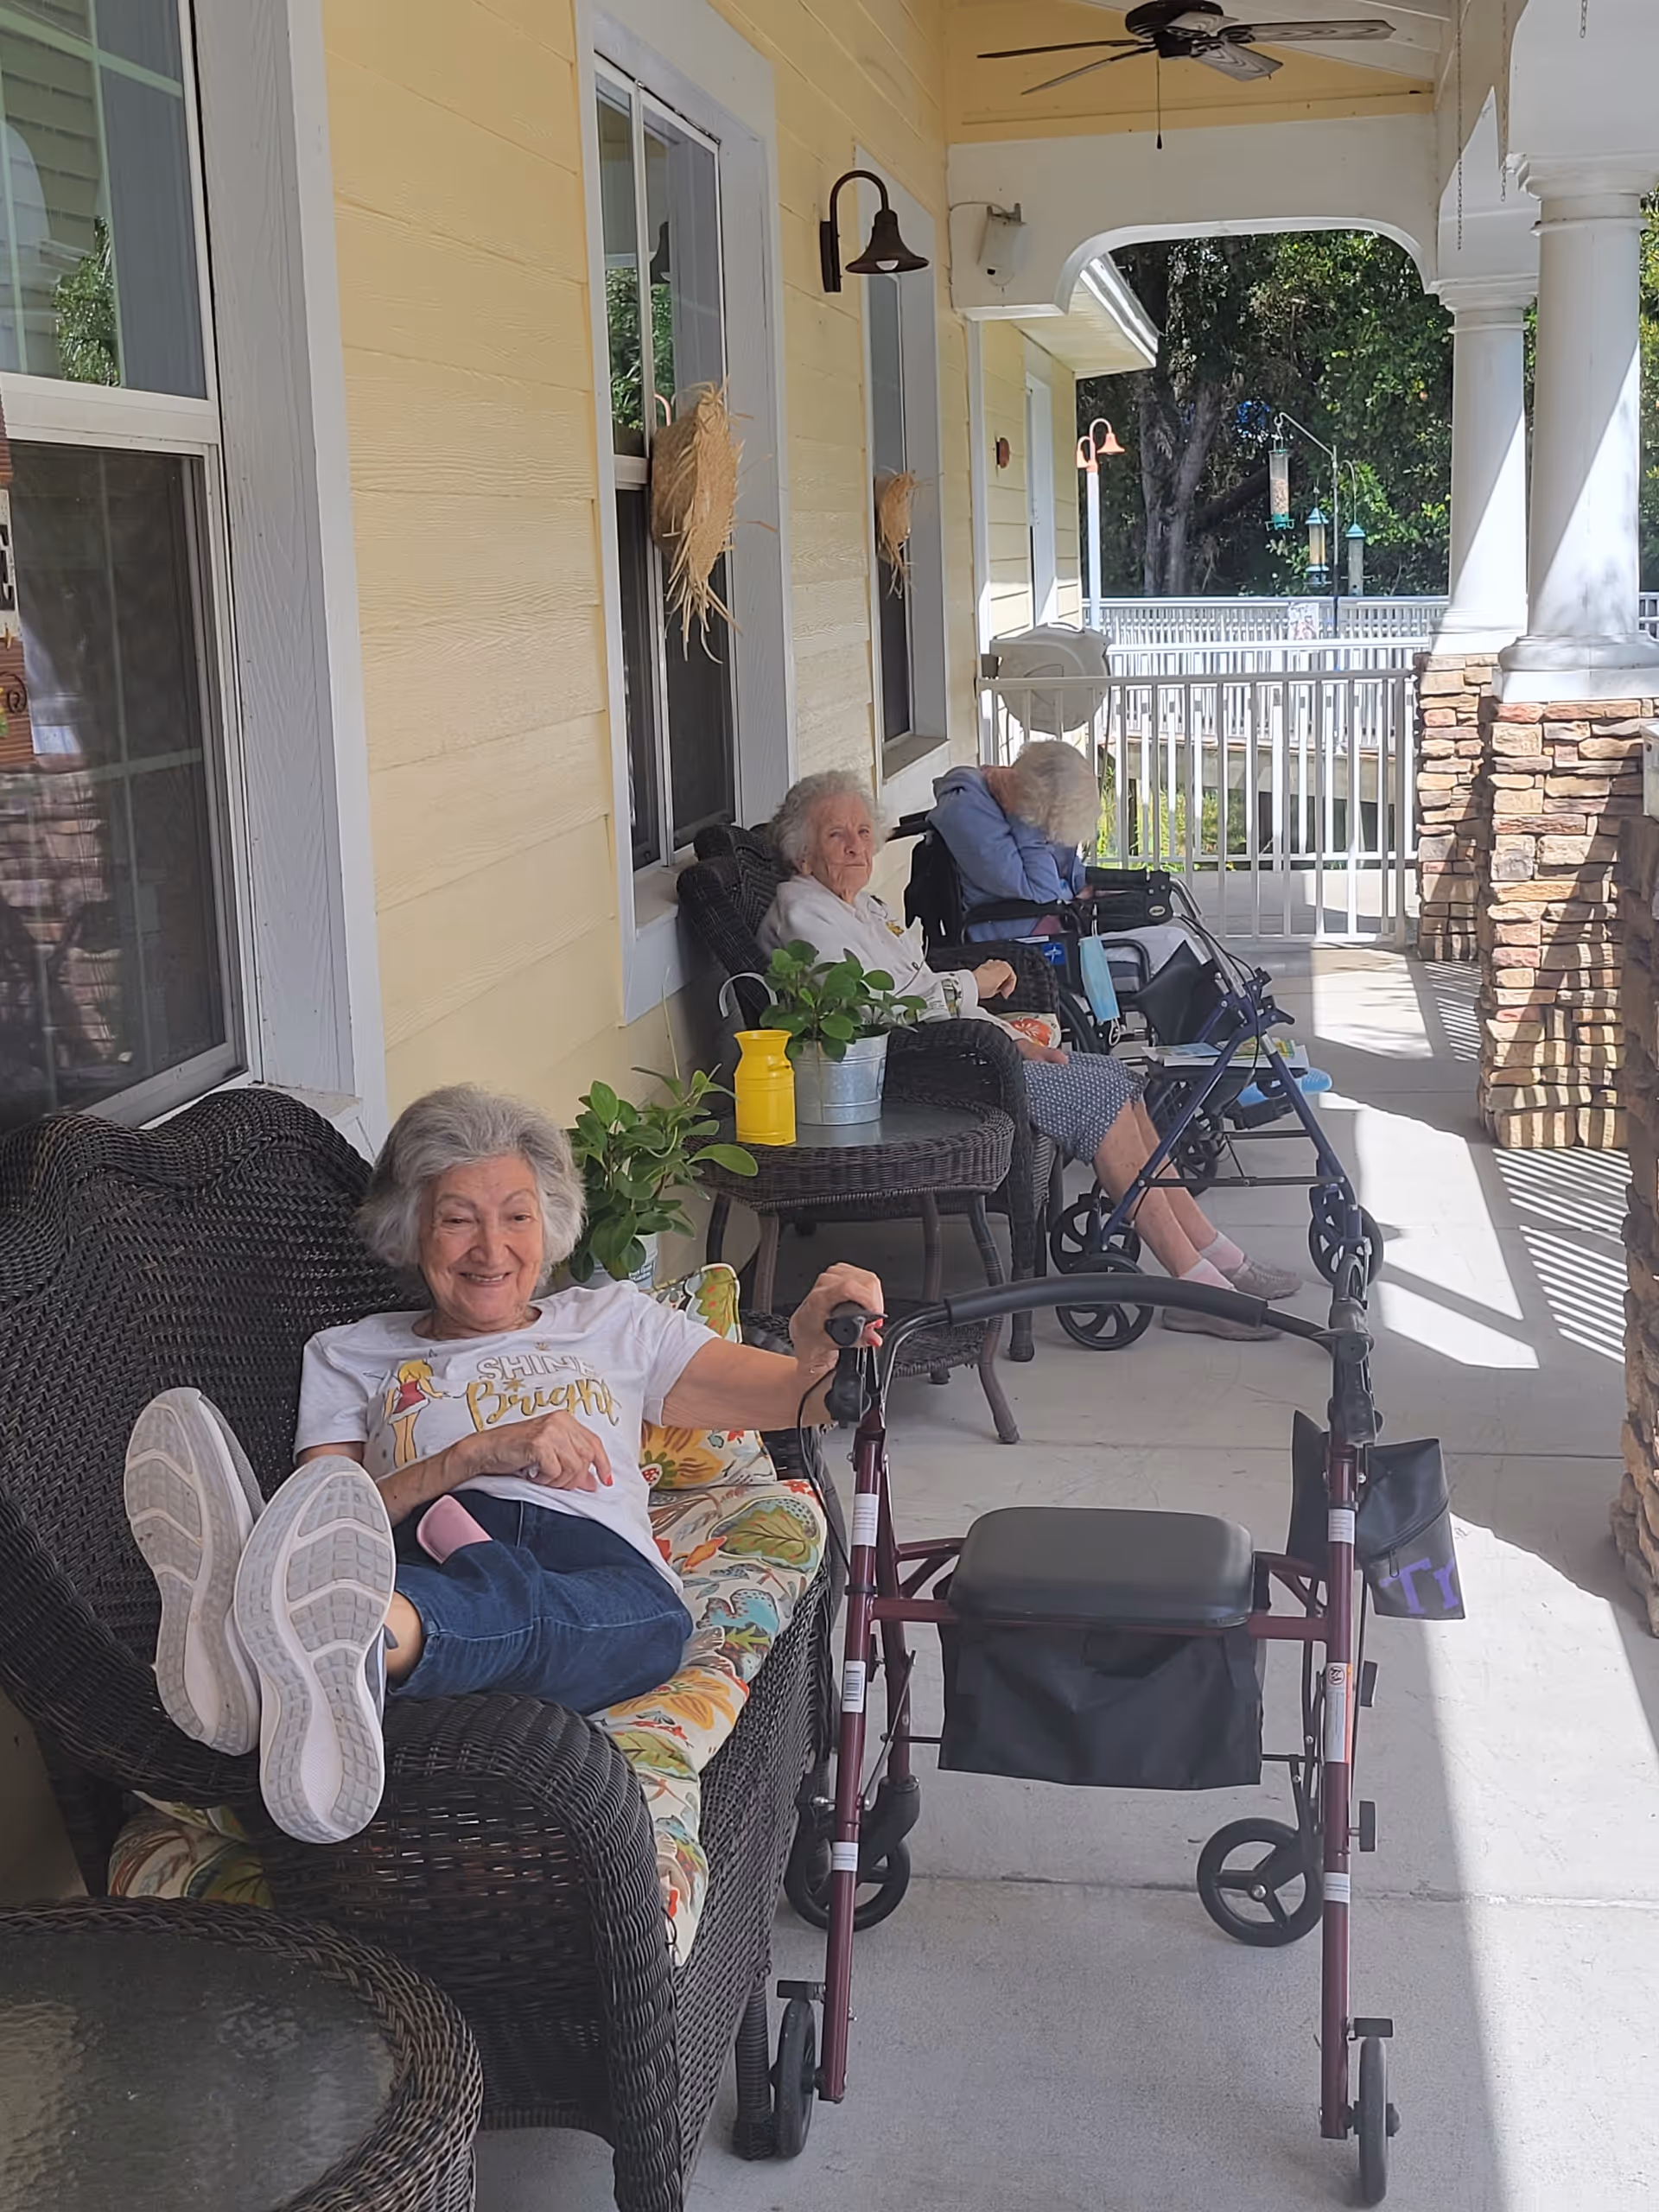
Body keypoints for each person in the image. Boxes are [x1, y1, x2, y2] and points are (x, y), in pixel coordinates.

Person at [124, 1083, 884, 1847]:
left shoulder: (615, 1323)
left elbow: (804, 1397)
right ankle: (330, 1632)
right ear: (410, 1230)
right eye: (457, 1220)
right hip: (418, 1550)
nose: (491, 1250)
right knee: (431, 1588)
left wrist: (818, 1343)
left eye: (516, 1217)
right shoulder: (350, 1353)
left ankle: (297, 1650)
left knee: (647, 1628)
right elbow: (328, 1512)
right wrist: (473, 1455)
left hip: (594, 1565)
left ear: (549, 1225)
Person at [758, 771, 1299, 1340]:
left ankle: (1217, 1252)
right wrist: (977, 987)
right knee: (1099, 1099)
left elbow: (915, 988)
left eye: (864, 832)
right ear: (802, 854)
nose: (856, 846)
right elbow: (878, 1007)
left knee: (1117, 1080)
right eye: (837, 835)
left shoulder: (856, 906)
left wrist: (1008, 1034)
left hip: (958, 1051)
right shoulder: (804, 914)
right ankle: (1193, 1286)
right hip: (911, 1074)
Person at [930, 741, 1198, 971]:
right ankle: (1218, 1025)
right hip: (1023, 945)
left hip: (1056, 925)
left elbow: (1065, 864)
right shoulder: (970, 816)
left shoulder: (1020, 799)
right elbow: (1044, 890)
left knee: (1175, 939)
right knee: (1168, 949)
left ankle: (1223, 1020)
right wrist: (1024, 817)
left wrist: (1088, 886)